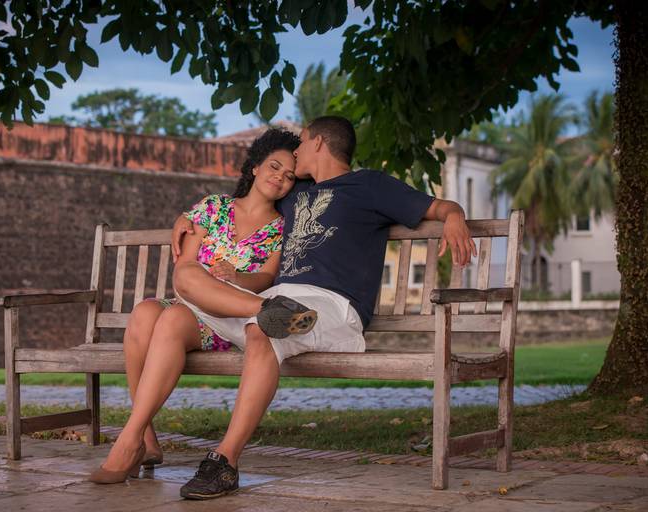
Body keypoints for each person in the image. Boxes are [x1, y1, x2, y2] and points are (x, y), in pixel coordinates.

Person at [170, 116, 478, 500]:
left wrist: (455, 216)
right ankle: (268, 310)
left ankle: (224, 461)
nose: (295, 153)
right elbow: (244, 197)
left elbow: (441, 206)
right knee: (187, 279)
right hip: (273, 300)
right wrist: (187, 218)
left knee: (261, 329)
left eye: (300, 143)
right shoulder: (295, 192)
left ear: (316, 143)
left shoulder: (370, 185)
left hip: (332, 307)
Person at [87, 128, 305, 484]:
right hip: (192, 299)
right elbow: (185, 265)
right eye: (274, 167)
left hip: (226, 317)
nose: (280, 177)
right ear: (255, 167)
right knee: (147, 310)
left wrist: (236, 277)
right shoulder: (213, 207)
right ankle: (146, 439)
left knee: (172, 317)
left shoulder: (280, 228)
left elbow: (266, 277)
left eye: (290, 176)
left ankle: (130, 440)